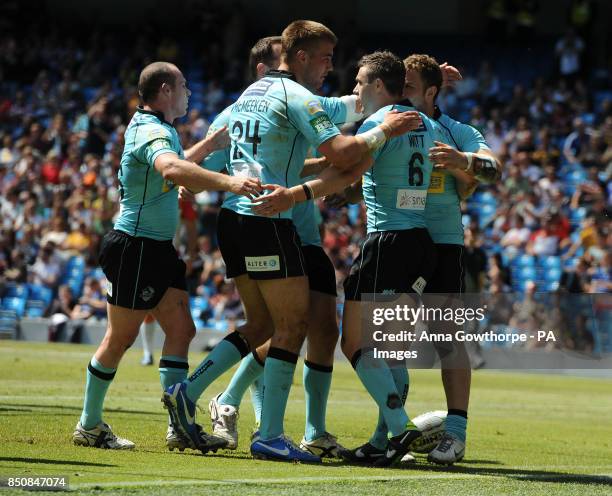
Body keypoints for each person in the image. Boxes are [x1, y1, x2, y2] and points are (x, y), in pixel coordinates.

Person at [163, 22, 421, 463]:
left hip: (234, 221)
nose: (329, 67)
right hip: (267, 219)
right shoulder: (296, 96)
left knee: (262, 324)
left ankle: (188, 392)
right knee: (292, 325)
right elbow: (342, 150)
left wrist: (418, 83)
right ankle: (268, 433)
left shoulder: (252, 94)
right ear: (300, 56)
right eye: (324, 57)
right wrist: (383, 133)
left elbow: (334, 119)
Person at [253, 50, 443, 467]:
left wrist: (294, 193)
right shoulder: (427, 124)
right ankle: (381, 441)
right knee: (390, 350)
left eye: (359, 82)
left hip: (387, 244)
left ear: (379, 86)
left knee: (355, 343)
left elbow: (344, 171)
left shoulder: (379, 125)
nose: (355, 89)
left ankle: (399, 430)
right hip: (420, 244)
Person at [72, 61, 262, 452]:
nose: (188, 91)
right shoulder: (150, 129)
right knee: (120, 338)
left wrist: (207, 147)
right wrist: (230, 182)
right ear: (164, 90)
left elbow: (170, 165)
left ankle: (178, 426)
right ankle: (89, 424)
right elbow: (171, 168)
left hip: (155, 248)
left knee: (181, 332)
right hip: (135, 247)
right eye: (183, 85)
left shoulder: (159, 129)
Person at [202, 35, 363, 459]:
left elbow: (351, 106)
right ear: (266, 68)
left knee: (323, 328)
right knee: (282, 326)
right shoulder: (243, 109)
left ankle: (313, 430)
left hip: (302, 230)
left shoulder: (306, 101)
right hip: (274, 224)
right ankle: (229, 399)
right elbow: (214, 165)